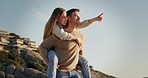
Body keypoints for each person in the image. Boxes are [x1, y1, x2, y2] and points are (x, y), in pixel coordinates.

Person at [39, 8, 102, 78]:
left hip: (75, 73)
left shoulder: (80, 35)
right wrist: (48, 62)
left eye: (79, 16)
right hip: (61, 74)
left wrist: (79, 63)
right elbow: (42, 47)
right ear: (68, 18)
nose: (79, 18)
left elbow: (80, 49)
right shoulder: (58, 34)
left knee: (85, 61)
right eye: (75, 15)